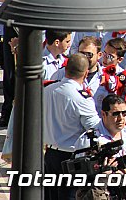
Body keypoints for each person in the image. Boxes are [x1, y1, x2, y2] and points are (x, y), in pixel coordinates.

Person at [44, 53, 101, 200]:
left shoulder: (47, 90)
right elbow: (95, 129)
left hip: (50, 155)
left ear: (66, 69)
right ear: (86, 73)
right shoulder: (82, 98)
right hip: (72, 159)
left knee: (51, 196)